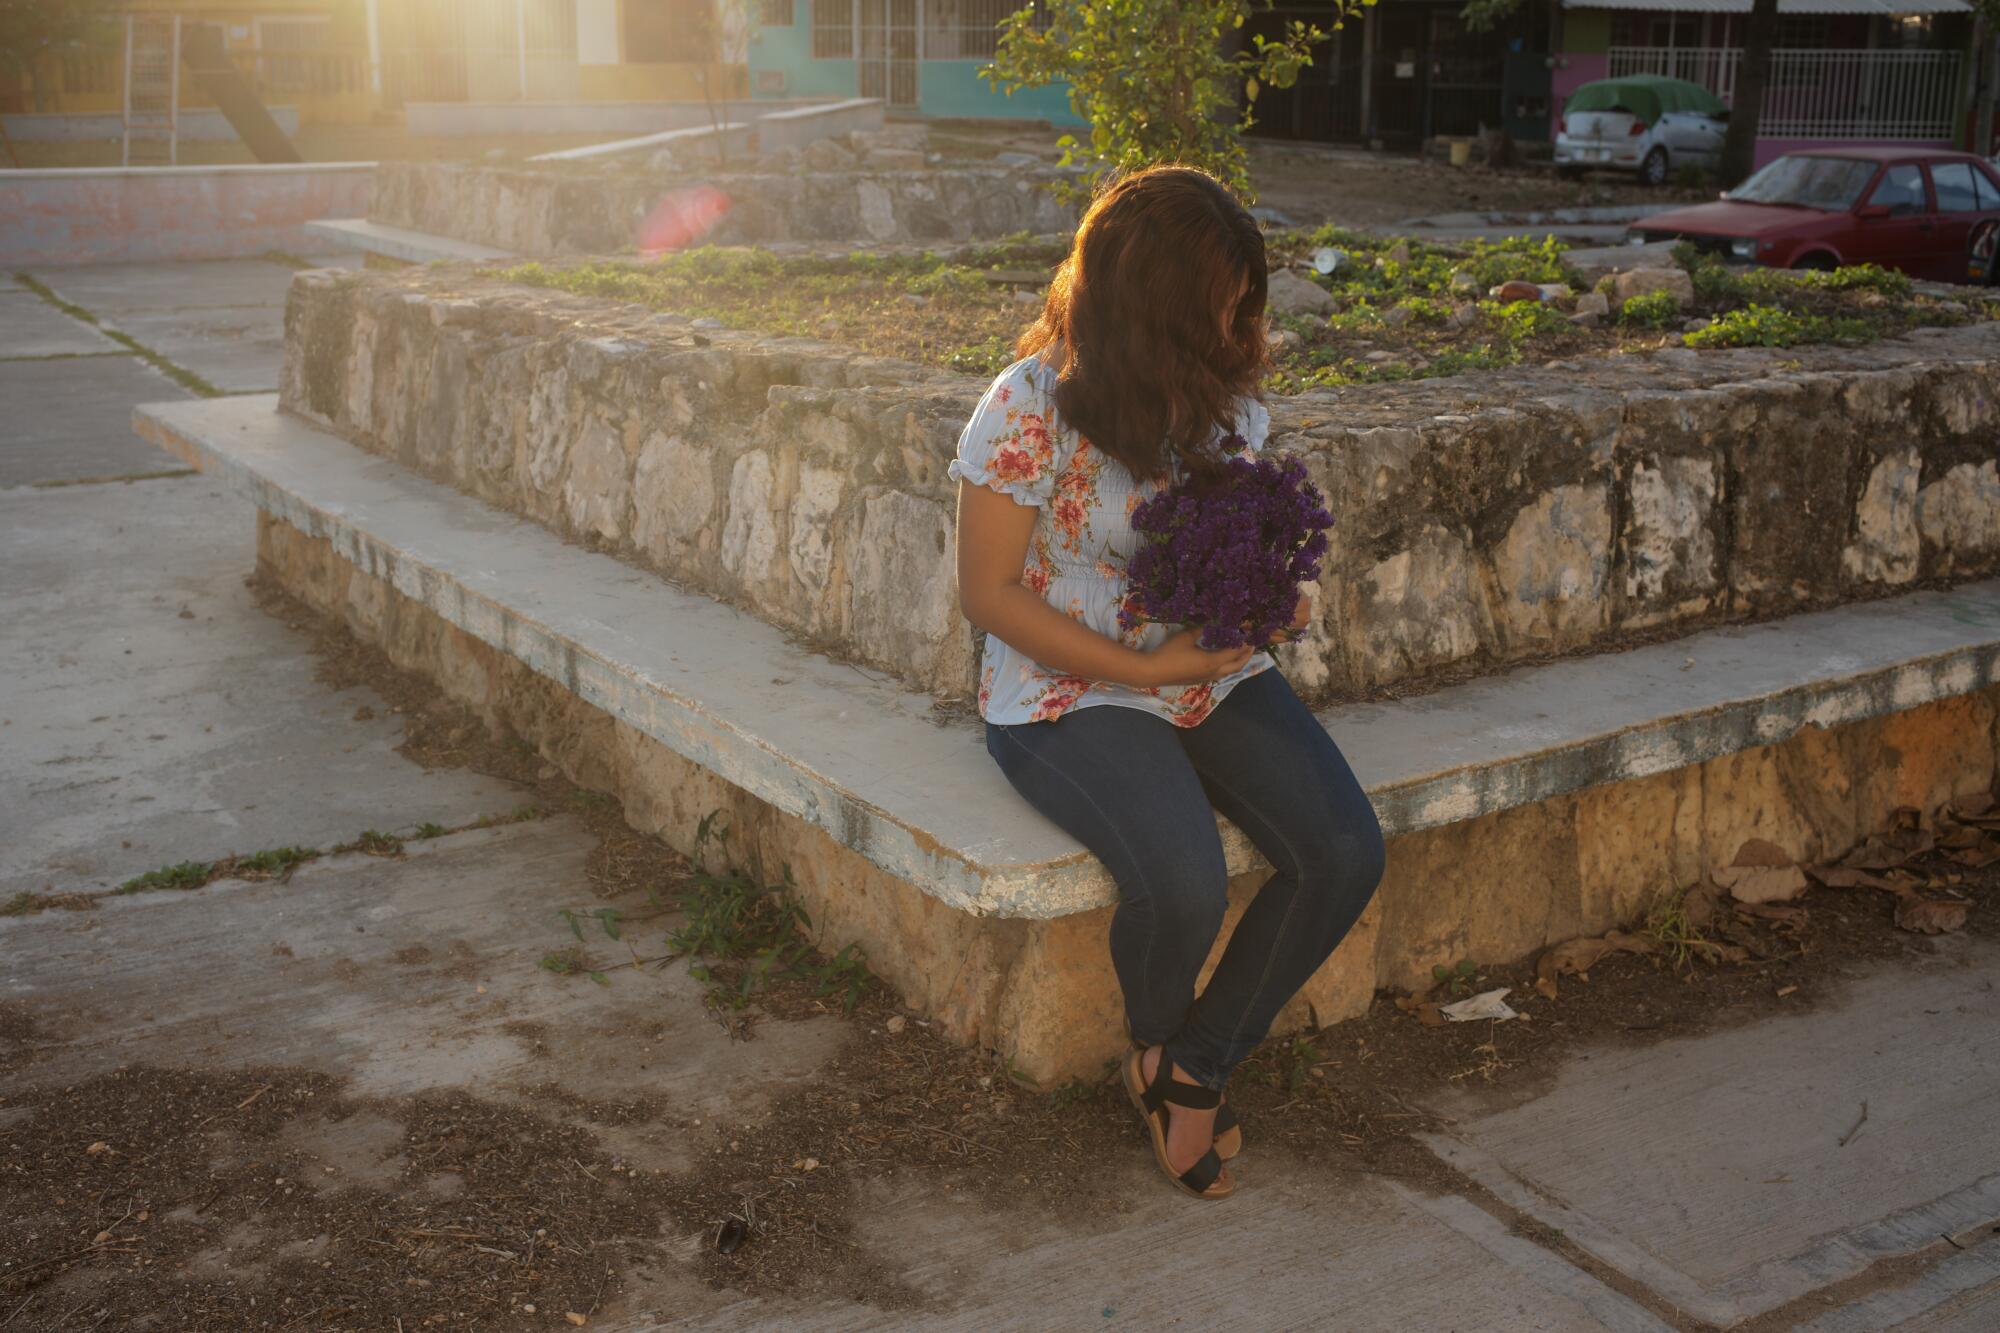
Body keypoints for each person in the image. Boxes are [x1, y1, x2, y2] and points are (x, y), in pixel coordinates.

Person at [949, 166, 1386, 1200]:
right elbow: (988, 594)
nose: (1239, 323)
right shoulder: (1028, 407)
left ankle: (1192, 1061)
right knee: (1182, 883)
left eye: (1244, 301)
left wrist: (1275, 597)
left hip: (1203, 672)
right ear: (1149, 300)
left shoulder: (1221, 395)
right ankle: (1154, 1047)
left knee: (1339, 849)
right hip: (1064, 690)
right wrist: (1143, 668)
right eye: (1219, 301)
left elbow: (1234, 538)